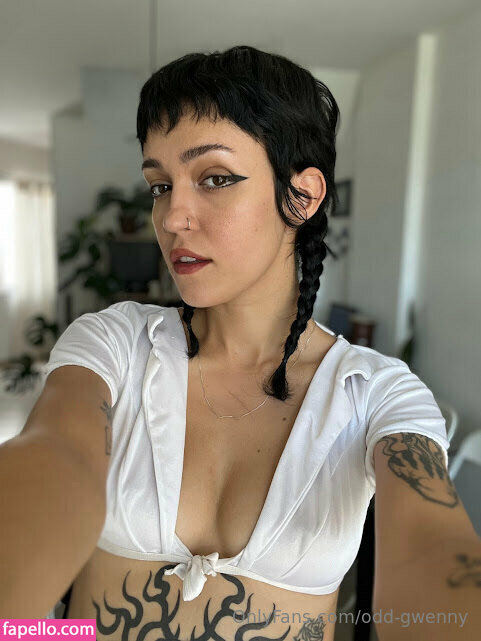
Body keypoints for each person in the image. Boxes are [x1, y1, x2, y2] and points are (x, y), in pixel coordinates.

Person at [2, 45, 479, 640]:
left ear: (302, 196)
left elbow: (431, 550)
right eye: (160, 185)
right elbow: (55, 457)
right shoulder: (116, 346)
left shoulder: (376, 393)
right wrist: (26, 628)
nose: (172, 217)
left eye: (215, 178)